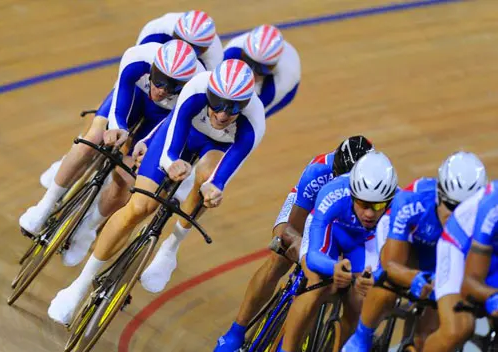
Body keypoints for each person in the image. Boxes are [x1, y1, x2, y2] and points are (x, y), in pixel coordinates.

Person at [47, 59, 266, 325]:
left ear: (245, 104)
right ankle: (78, 287)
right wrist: (170, 163)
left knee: (206, 178)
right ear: (209, 93)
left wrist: (213, 189)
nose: (222, 114)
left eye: (233, 108)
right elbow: (171, 141)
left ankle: (170, 247)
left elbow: (224, 173)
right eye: (218, 103)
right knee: (140, 207)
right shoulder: (196, 88)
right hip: (181, 136)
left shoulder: (254, 121)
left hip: (215, 151)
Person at [140, 24, 302, 294]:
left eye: (261, 69)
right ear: (244, 54)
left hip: (252, 109)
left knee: (208, 174)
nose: (253, 71)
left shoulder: (282, 80)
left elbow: (246, 124)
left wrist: (212, 177)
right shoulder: (234, 50)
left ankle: (172, 246)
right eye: (249, 63)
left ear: (271, 68)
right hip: (220, 99)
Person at [18, 40, 202, 253]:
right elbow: (120, 96)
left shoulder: (194, 90)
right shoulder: (138, 57)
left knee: (125, 178)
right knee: (92, 140)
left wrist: (144, 144)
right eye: (159, 80)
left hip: (161, 120)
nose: (161, 90)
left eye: (172, 86)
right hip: (134, 97)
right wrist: (118, 127)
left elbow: (170, 127)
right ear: (153, 67)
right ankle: (45, 205)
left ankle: (88, 228)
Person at [212, 136, 374, 352]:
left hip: (350, 225)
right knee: (281, 255)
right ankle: (236, 332)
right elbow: (293, 228)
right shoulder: (318, 172)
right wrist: (303, 251)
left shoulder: (374, 184)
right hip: (310, 214)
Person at [333, 151, 488, 352]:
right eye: (450, 206)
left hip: (448, 263)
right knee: (387, 284)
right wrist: (413, 276)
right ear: (439, 195)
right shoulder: (412, 200)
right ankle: (361, 340)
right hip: (412, 253)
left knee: (425, 337)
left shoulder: (484, 219)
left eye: (465, 210)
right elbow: (392, 264)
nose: (458, 216)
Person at [38, 10, 223, 189]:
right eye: (181, 41)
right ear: (174, 33)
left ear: (205, 49)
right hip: (146, 82)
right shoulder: (157, 30)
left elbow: (192, 107)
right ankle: (71, 154)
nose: (185, 49)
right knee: (105, 115)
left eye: (195, 48)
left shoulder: (211, 63)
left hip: (171, 99)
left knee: (132, 163)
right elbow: (127, 77)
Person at [264, 151, 398, 352]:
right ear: (352, 193)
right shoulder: (334, 192)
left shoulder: (396, 208)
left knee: (361, 298)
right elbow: (313, 253)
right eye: (364, 204)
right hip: (333, 236)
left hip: (365, 244)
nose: (369, 213)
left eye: (377, 206)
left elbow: (387, 262)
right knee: (314, 285)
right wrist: (333, 266)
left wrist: (372, 278)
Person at [406, 184, 495, 352]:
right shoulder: (492, 207)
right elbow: (470, 283)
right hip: (460, 245)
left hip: (492, 251)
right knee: (459, 328)